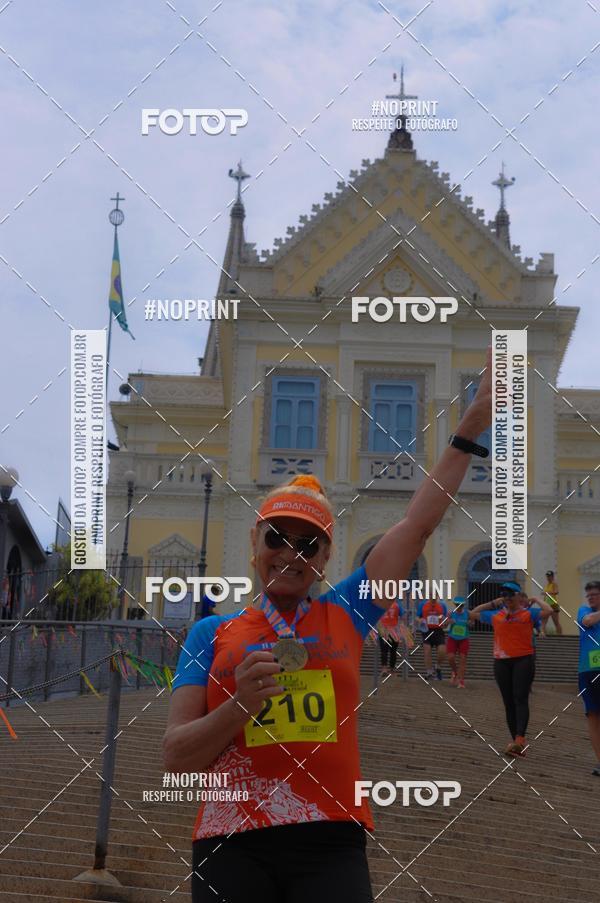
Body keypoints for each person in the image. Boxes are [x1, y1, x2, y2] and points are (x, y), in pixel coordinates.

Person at [163, 350, 492, 903]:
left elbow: (418, 525)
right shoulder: (210, 635)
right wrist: (239, 704)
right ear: (254, 546)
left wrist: (468, 427)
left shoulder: (346, 611)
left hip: (332, 834)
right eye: (277, 537)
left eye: (308, 543)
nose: (290, 553)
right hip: (231, 838)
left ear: (325, 558)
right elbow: (176, 757)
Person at [469, 582, 540, 757]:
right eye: (504, 595)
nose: (507, 597)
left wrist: (537, 599)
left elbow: (551, 610)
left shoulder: (528, 613)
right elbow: (473, 613)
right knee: (508, 702)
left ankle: (520, 738)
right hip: (501, 662)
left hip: (523, 659)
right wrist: (494, 602)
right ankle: (516, 743)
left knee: (520, 699)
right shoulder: (496, 615)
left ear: (518, 596)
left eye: (511, 594)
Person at [576, 581, 600, 776]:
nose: (591, 597)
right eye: (589, 594)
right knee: (593, 716)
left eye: (595, 594)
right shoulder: (584, 610)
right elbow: (588, 621)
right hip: (588, 670)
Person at [417, 591, 448, 680]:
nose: (433, 597)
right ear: (429, 596)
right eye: (431, 595)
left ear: (438, 596)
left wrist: (445, 622)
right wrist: (420, 621)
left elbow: (444, 618)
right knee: (427, 651)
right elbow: (417, 617)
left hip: (438, 630)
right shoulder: (423, 604)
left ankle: (437, 665)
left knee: (442, 651)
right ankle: (429, 672)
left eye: (435, 595)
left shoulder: (442, 605)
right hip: (426, 630)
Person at [446, 597, 470, 688]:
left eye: (461, 605)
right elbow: (443, 626)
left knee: (463, 659)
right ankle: (455, 672)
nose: (459, 607)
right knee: (450, 657)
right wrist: (448, 621)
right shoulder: (451, 614)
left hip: (464, 638)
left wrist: (470, 623)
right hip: (452, 638)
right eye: (457, 605)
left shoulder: (467, 613)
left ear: (463, 606)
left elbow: (473, 623)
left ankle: (461, 681)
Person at [377, 600, 404, 676]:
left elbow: (402, 616)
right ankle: (385, 669)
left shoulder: (397, 603)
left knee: (392, 650)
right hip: (385, 629)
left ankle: (390, 669)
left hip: (392, 629)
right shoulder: (397, 604)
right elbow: (403, 617)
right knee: (386, 650)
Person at [543, 570, 563, 635]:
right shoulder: (547, 585)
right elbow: (546, 595)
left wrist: (547, 593)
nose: (548, 578)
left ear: (552, 577)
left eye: (550, 576)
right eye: (547, 576)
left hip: (553, 604)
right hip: (547, 605)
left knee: (556, 622)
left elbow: (557, 591)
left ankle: (560, 635)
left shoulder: (554, 584)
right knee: (544, 620)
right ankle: (543, 634)